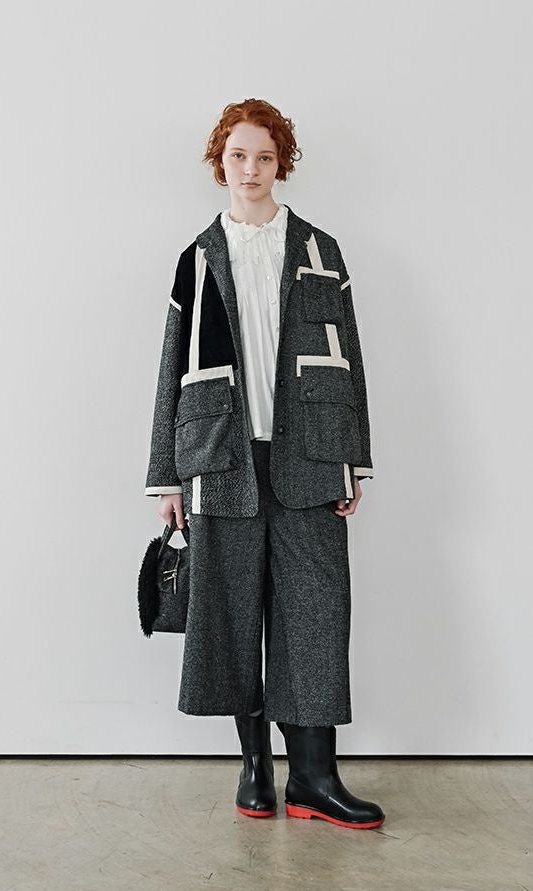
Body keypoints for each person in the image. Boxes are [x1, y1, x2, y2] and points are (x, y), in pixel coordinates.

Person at [144, 98, 385, 829]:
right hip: (220, 461)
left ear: (283, 164)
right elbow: (171, 370)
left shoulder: (320, 250)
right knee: (231, 613)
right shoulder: (197, 258)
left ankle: (314, 776)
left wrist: (353, 461)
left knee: (315, 614)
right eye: (238, 156)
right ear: (219, 162)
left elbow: (348, 359)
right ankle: (254, 765)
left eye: (265, 157)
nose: (251, 169)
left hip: (309, 456)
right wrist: (167, 476)